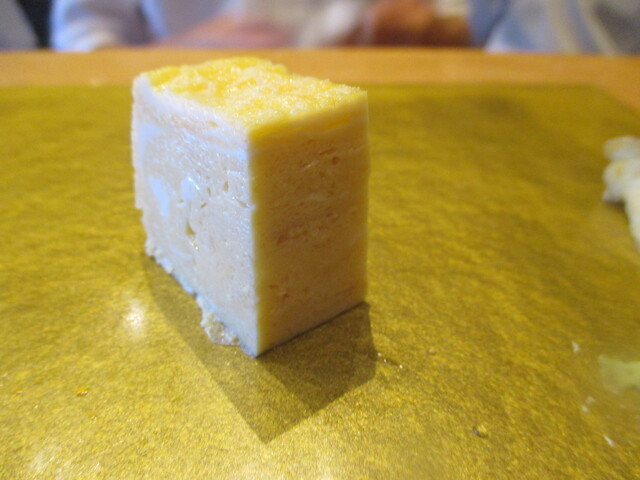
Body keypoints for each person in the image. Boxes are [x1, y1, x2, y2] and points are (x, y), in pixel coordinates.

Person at [50, 0, 640, 54]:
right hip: (180, 93)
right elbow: (82, 33)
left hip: (411, 115)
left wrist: (450, 27)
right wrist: (166, 56)